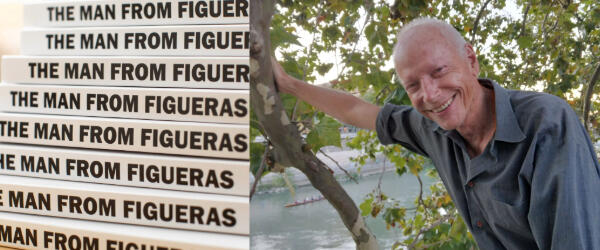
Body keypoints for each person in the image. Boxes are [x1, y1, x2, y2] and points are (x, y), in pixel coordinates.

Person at [271, 17, 600, 249]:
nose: (428, 95)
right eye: (412, 85)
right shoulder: (431, 127)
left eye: (439, 71)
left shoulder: (547, 125)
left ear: (471, 60)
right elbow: (358, 111)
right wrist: (287, 84)